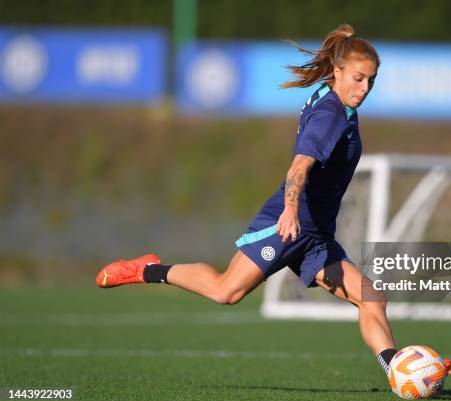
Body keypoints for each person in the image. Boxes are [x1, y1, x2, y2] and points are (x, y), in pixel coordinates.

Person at [96, 24, 401, 380]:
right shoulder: (331, 113)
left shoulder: (337, 101)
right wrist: (289, 211)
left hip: (315, 236)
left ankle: (398, 368)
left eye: (371, 81)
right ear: (337, 72)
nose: (364, 89)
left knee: (372, 298)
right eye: (358, 78)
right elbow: (299, 166)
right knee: (226, 291)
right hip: (289, 224)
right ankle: (147, 270)